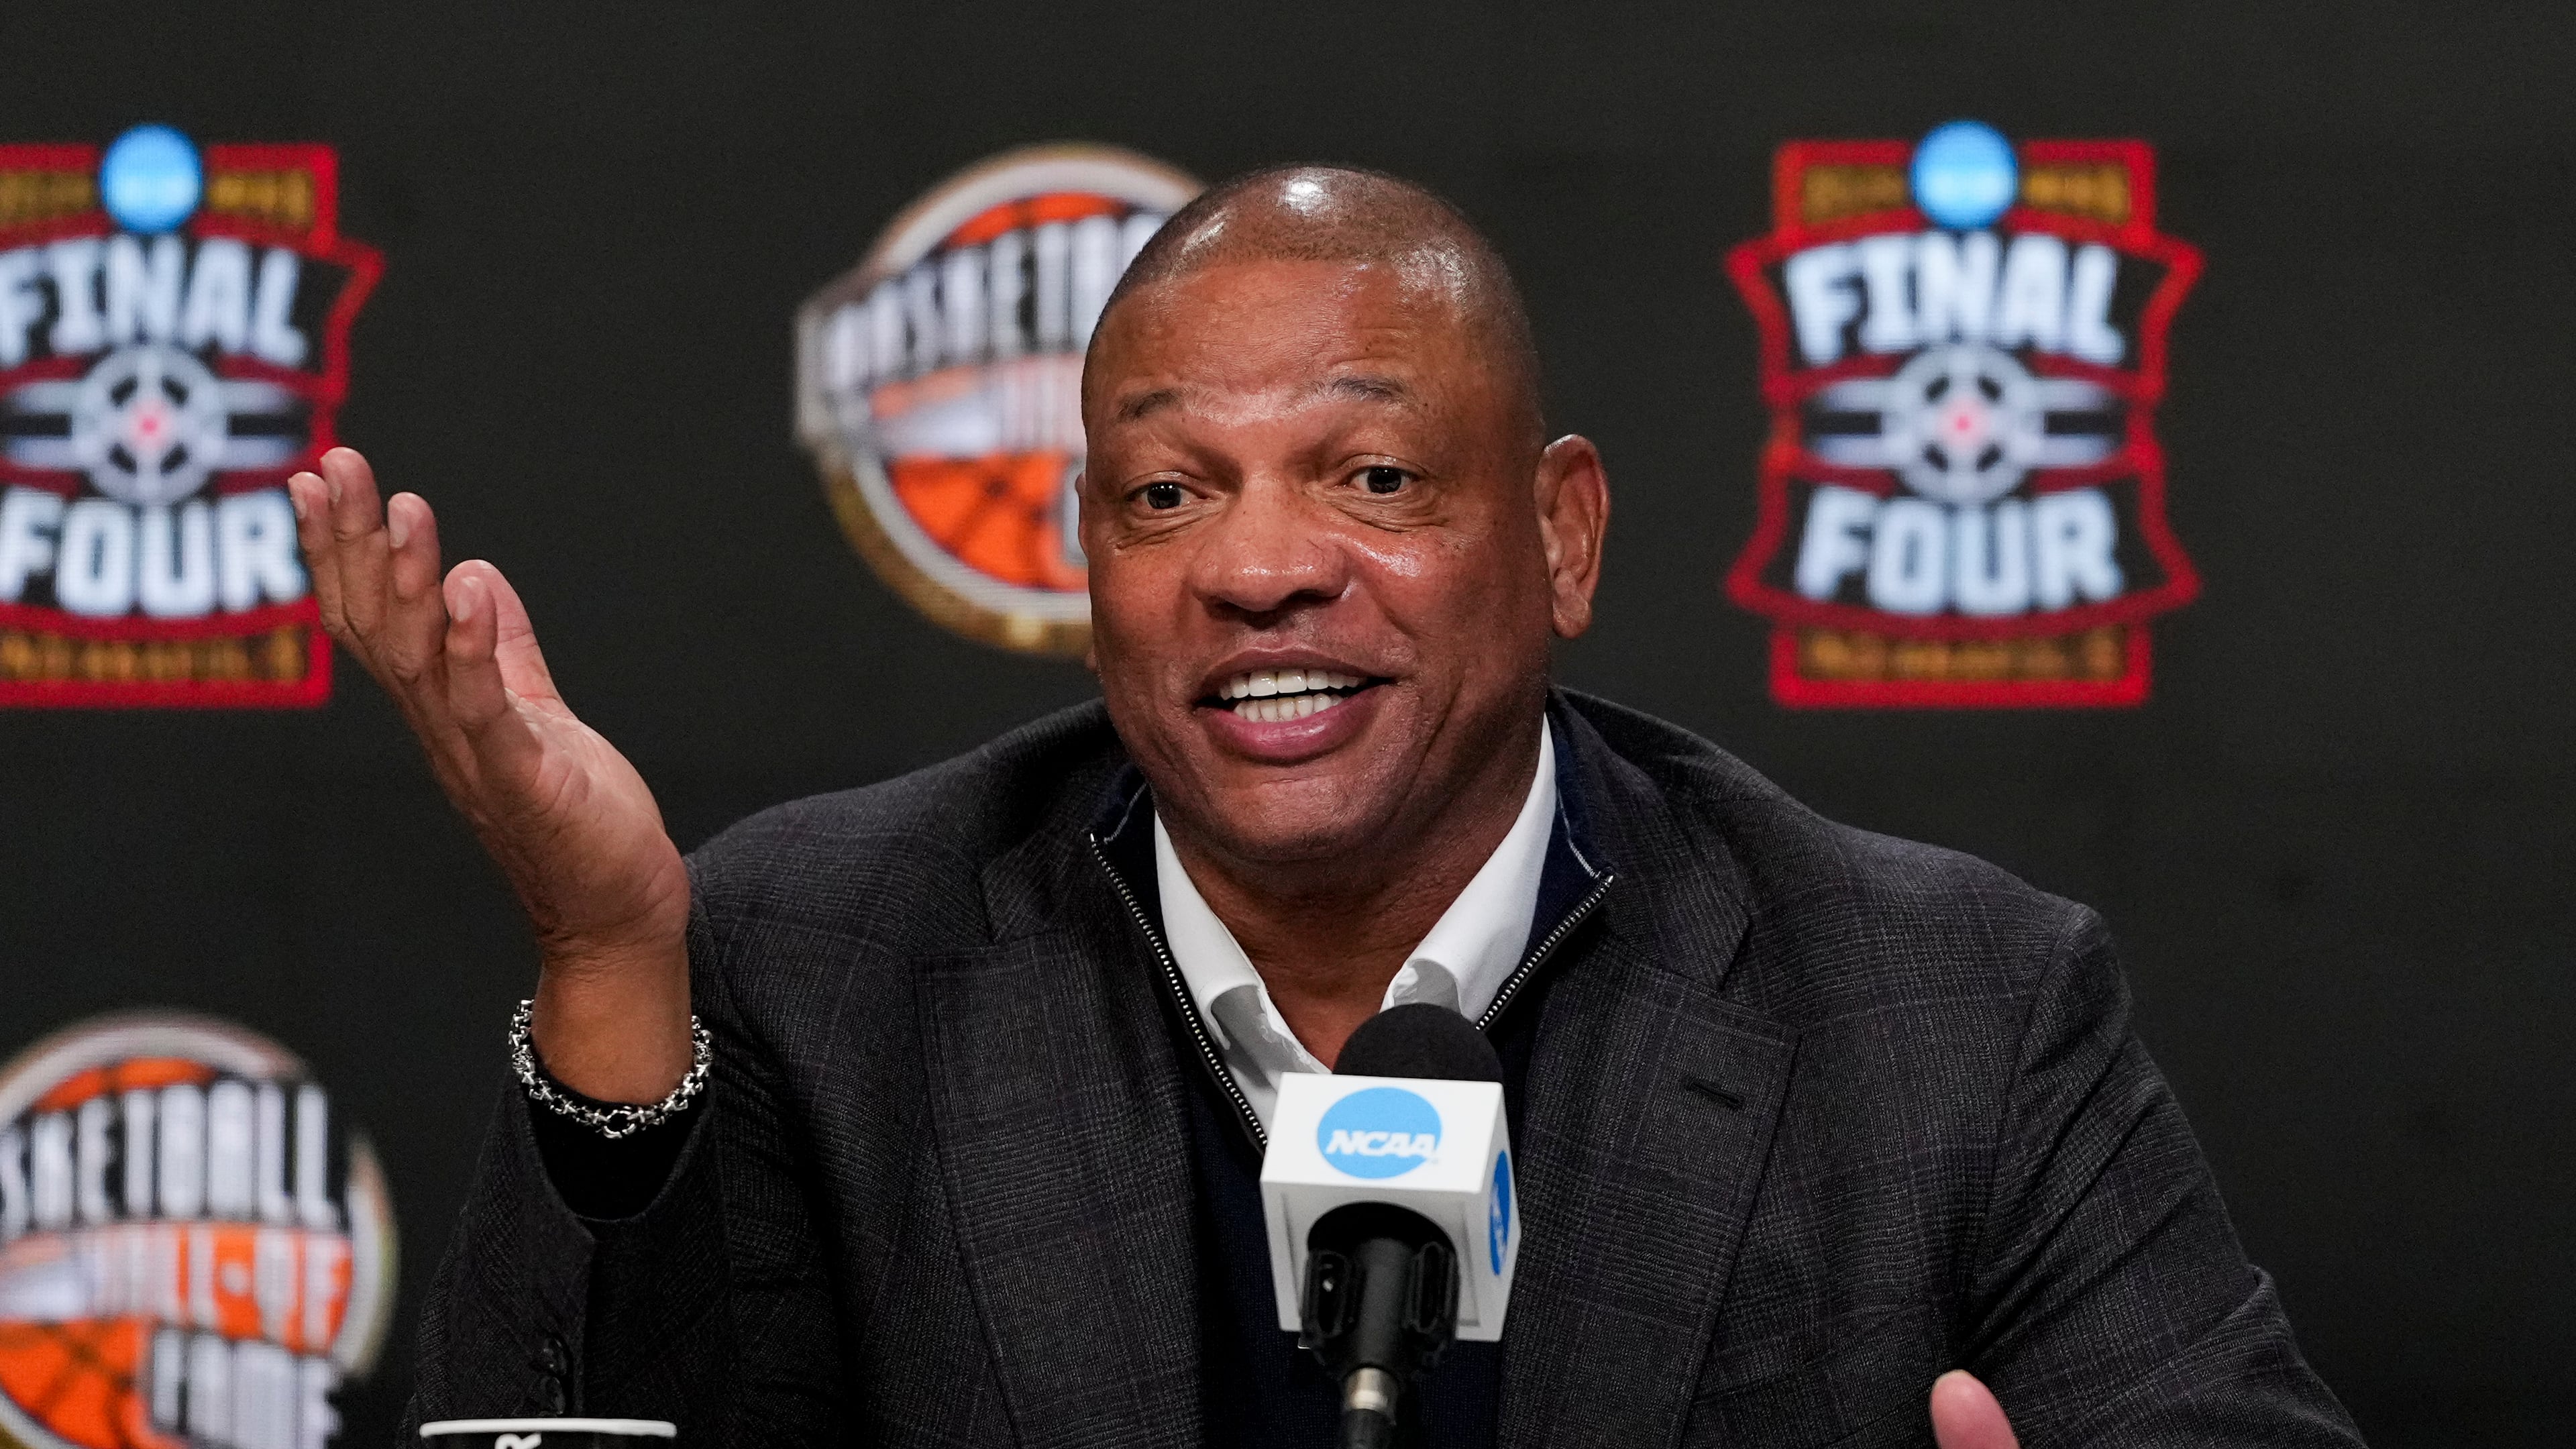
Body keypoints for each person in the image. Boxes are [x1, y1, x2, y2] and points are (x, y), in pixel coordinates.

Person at [297, 166, 2361, 1448]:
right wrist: (608, 961)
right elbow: (554, 1436)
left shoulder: (1946, 1006)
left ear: (1560, 538)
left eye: (1372, 480)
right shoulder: (826, 959)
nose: (1258, 568)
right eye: (1167, 494)